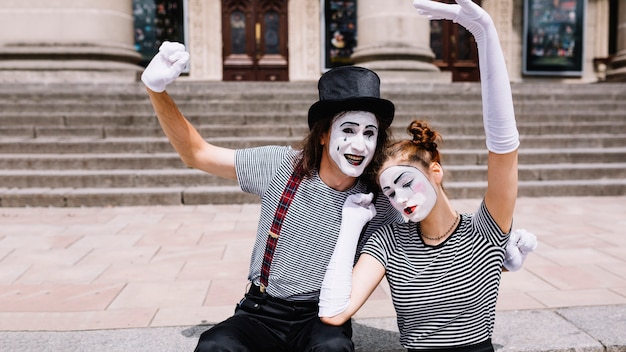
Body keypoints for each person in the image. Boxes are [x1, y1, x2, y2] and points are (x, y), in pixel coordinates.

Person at [141, 42, 404, 351]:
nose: (359, 145)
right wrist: (156, 90)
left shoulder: (378, 200)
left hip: (323, 317)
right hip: (261, 311)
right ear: (323, 134)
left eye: (369, 133)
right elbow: (197, 154)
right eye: (348, 130)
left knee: (333, 349)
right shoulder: (282, 166)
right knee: (214, 346)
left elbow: (421, 238)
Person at [318, 1, 537, 351]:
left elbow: (504, 150)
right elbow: (333, 312)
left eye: (405, 182)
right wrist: (349, 225)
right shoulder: (388, 241)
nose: (399, 198)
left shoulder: (484, 230)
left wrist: (485, 35)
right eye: (389, 192)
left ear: (436, 171)